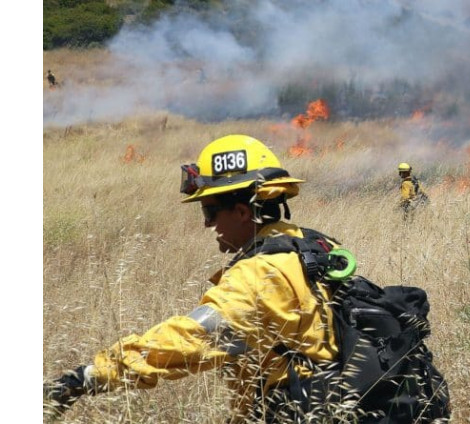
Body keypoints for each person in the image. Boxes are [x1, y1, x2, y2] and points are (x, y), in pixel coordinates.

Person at [43, 135, 343, 423]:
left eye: (210, 212)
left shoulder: (257, 274)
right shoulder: (312, 244)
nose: (206, 224)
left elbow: (190, 338)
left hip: (292, 410)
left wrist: (89, 376)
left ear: (241, 211)